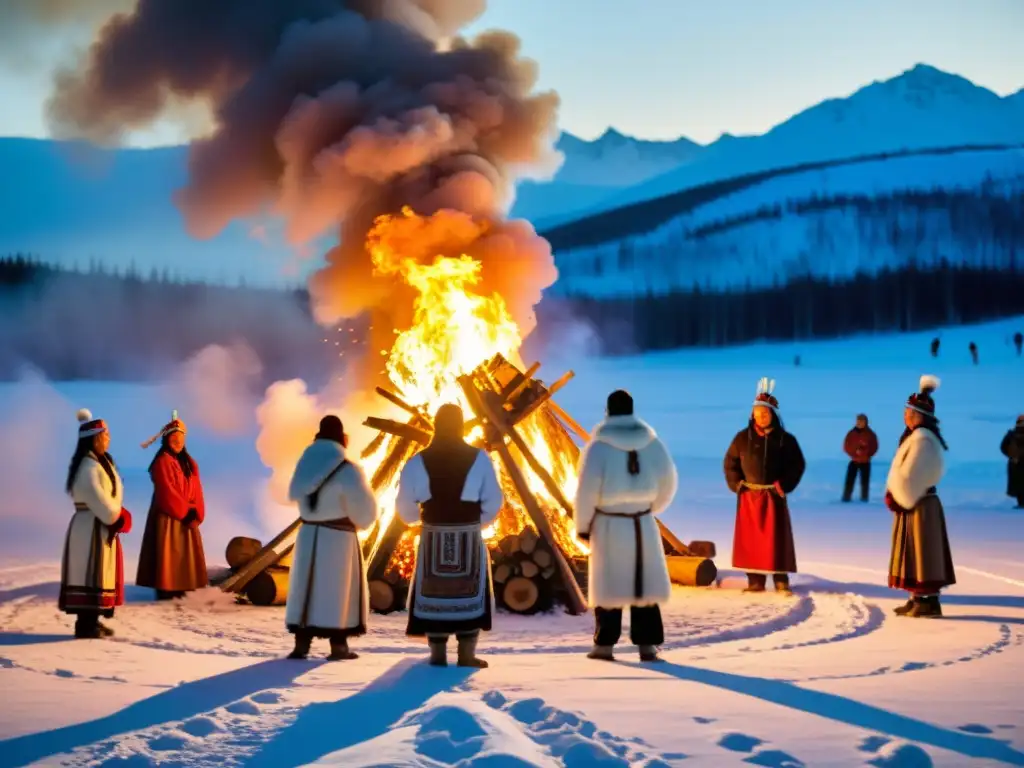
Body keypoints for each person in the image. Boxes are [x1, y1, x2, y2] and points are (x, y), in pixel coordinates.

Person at [574, 389, 678, 663]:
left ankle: (604, 646)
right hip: (641, 523)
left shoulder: (598, 447)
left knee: (609, 584)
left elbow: (586, 489)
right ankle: (647, 645)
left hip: (610, 522)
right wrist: (648, 508)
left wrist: (584, 524)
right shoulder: (651, 443)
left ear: (607, 412)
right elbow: (668, 482)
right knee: (644, 585)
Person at [396, 403, 503, 668]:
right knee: (469, 593)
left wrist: (416, 520)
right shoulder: (479, 458)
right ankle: (466, 654)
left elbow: (405, 506)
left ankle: (437, 653)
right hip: (468, 533)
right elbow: (494, 499)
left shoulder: (418, 460)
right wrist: (478, 522)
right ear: (460, 425)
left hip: (433, 535)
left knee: (434, 594)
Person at [284, 415, 379, 660]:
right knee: (337, 591)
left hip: (308, 535)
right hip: (337, 539)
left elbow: (297, 496)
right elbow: (365, 512)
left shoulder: (304, 464)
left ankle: (301, 645)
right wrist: (361, 521)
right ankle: (339, 646)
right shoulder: (347, 470)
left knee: (306, 588)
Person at [724, 378, 806, 595]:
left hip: (773, 496)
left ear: (773, 415)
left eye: (765, 413)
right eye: (757, 413)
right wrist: (737, 484)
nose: (760, 417)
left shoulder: (785, 440)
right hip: (749, 496)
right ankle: (755, 581)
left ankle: (781, 580)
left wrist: (784, 485)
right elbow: (730, 462)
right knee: (752, 543)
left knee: (775, 541)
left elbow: (797, 465)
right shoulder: (742, 438)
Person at [884, 375, 956, 618]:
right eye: (906, 412)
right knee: (913, 553)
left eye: (910, 413)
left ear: (921, 416)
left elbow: (914, 475)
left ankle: (928, 602)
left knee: (924, 552)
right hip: (913, 503)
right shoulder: (913, 436)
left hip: (920, 504)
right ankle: (916, 598)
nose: (906, 417)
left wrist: (898, 496)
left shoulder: (923, 440)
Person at [59, 409, 132, 638]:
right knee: (90, 574)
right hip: (90, 527)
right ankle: (86, 624)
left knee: (98, 573)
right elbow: (97, 498)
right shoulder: (88, 468)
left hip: (98, 527)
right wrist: (117, 516)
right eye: (105, 434)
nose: (109, 438)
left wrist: (116, 513)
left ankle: (93, 620)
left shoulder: (100, 464)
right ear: (95, 438)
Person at [136, 411, 208, 599]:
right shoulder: (162, 462)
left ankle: (184, 587)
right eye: (174, 438)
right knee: (169, 553)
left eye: (181, 438)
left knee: (186, 555)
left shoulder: (190, 463)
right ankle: (167, 589)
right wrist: (185, 513)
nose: (178, 442)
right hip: (169, 516)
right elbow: (166, 491)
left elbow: (197, 489)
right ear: (167, 439)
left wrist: (197, 513)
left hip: (189, 517)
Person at [842, 414, 879, 502]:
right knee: (849, 481)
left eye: (862, 421)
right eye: (858, 421)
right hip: (854, 461)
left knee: (864, 483)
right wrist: (854, 453)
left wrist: (866, 454)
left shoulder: (870, 434)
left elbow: (875, 446)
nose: (860, 423)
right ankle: (846, 499)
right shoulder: (851, 433)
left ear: (865, 422)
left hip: (865, 462)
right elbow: (846, 446)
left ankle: (864, 499)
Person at [1000, 415, 1024, 509]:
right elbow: (1003, 447)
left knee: (1018, 485)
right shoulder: (1011, 435)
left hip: (1015, 463)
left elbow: (1003, 447)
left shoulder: (1011, 435)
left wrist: (1011, 456)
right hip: (1017, 463)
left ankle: (1021, 503)